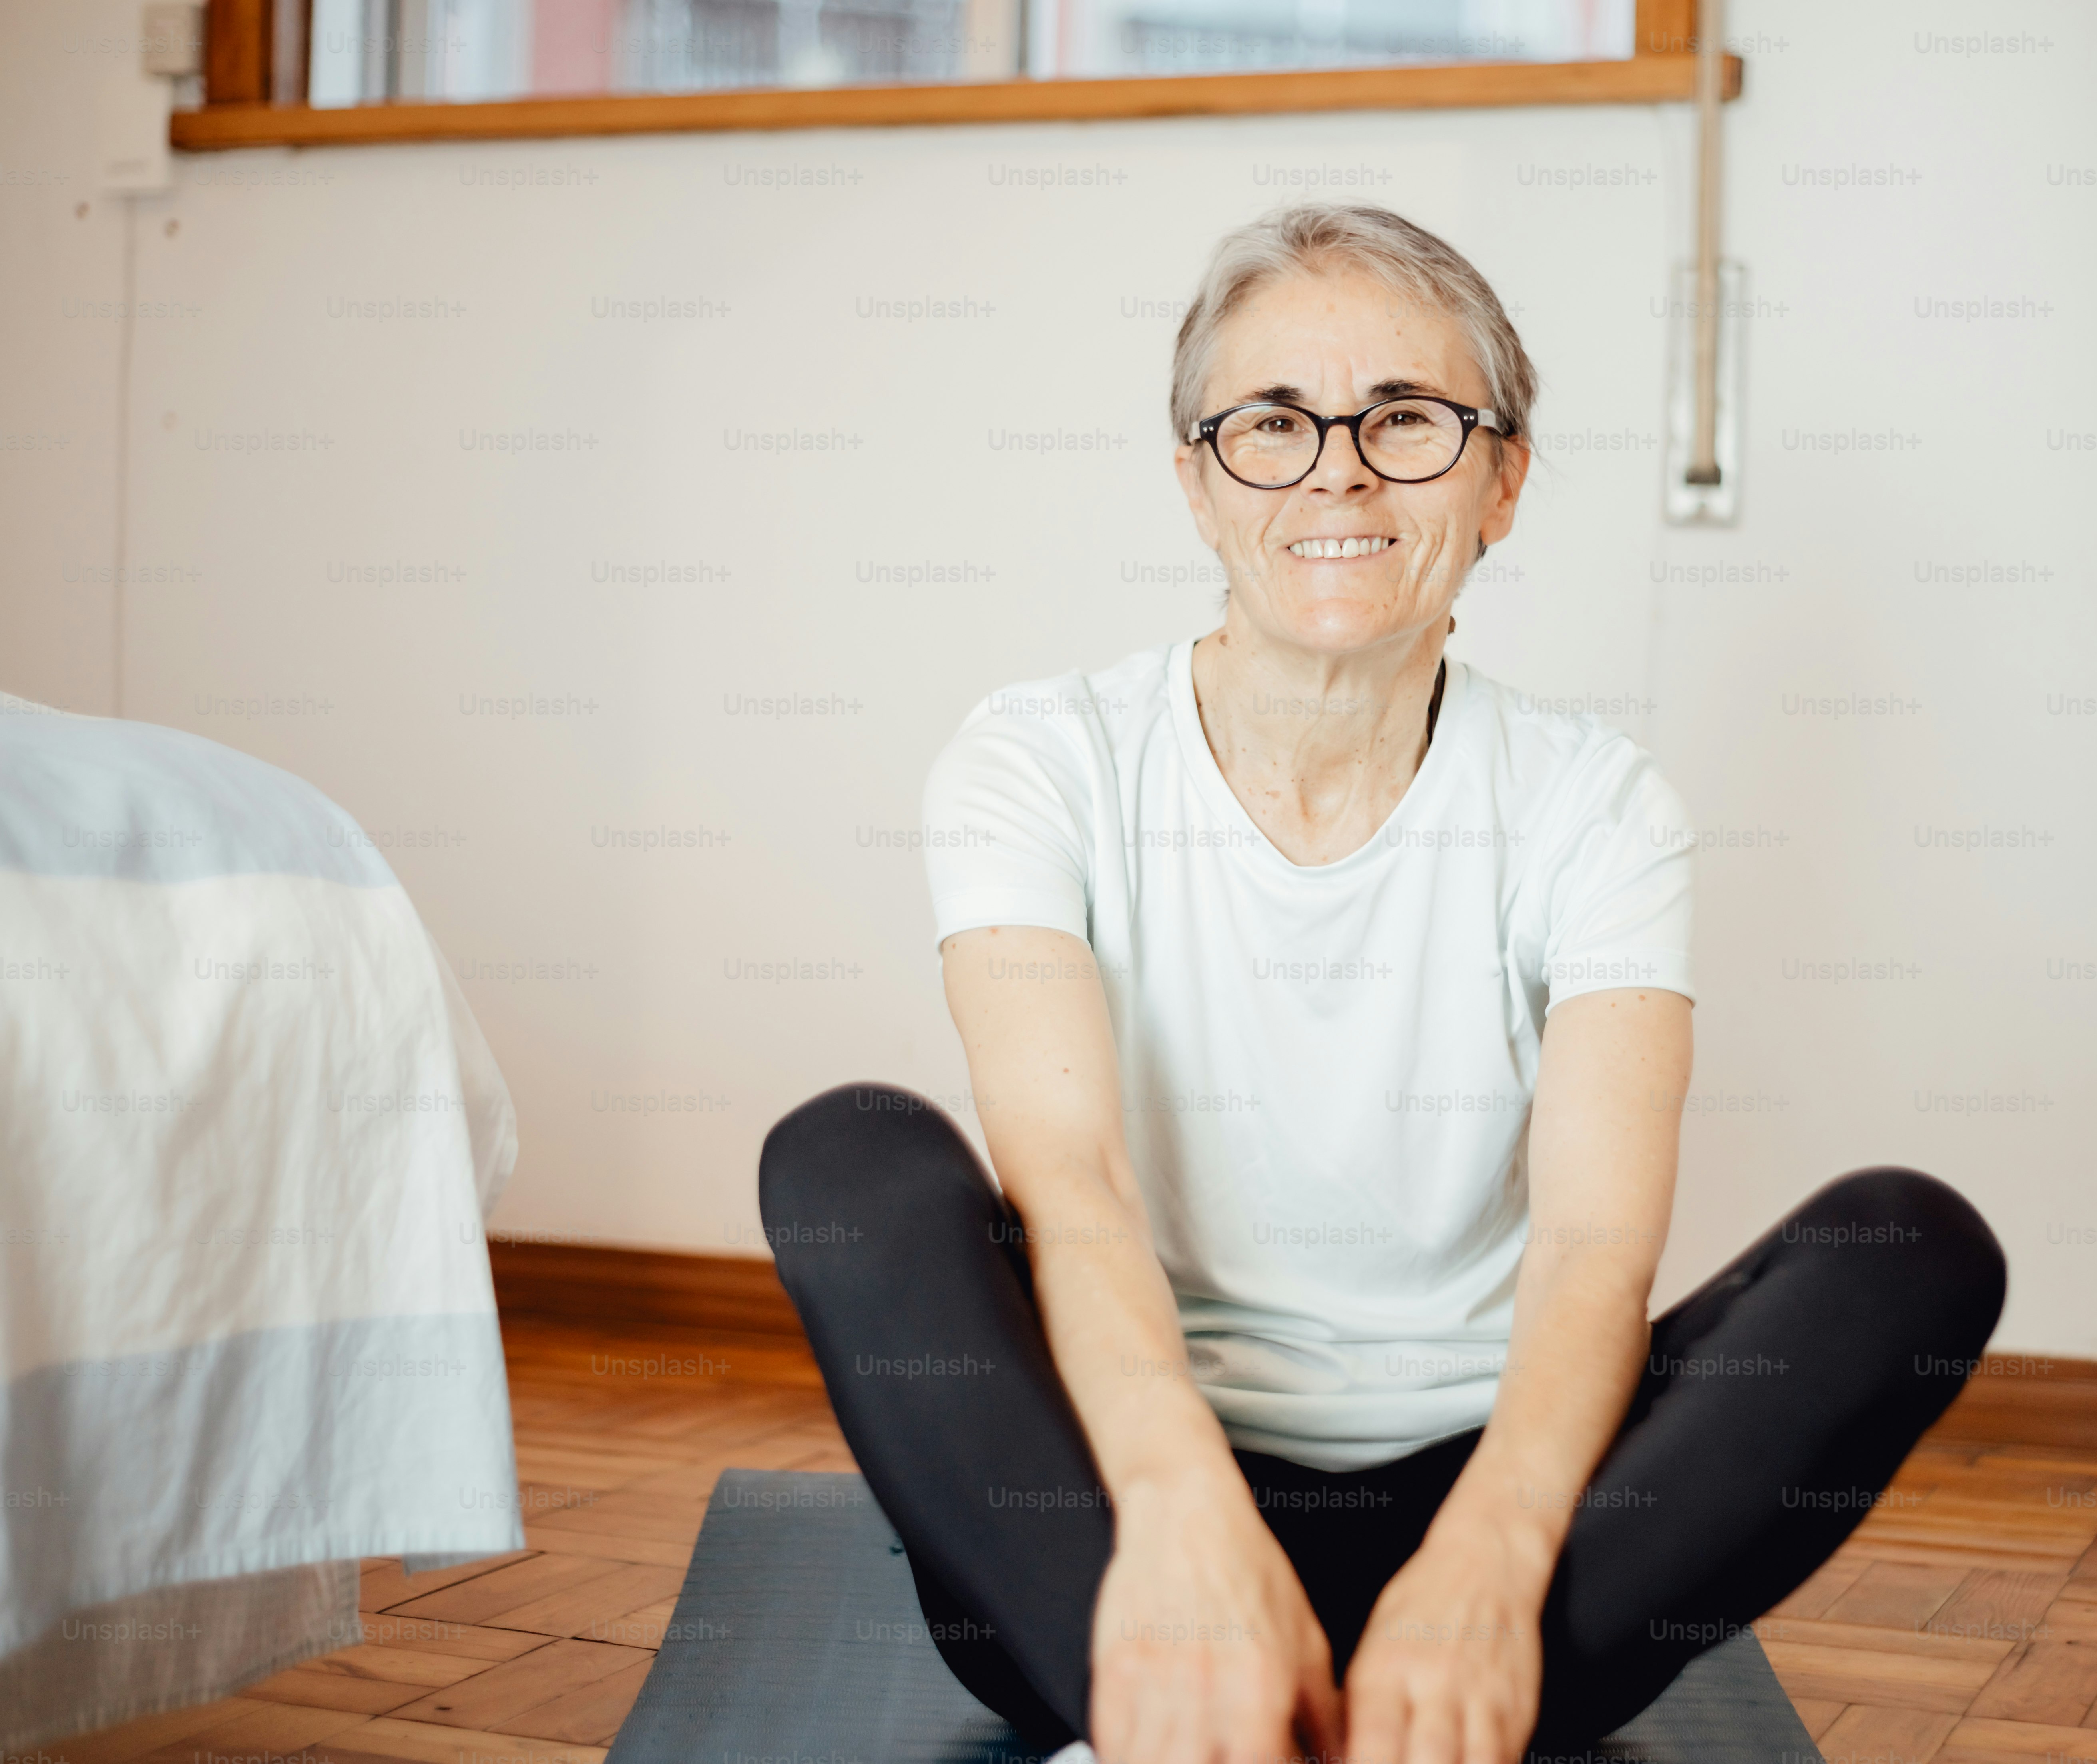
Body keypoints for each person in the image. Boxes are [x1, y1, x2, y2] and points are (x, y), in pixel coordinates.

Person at [759, 202, 2005, 1764]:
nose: (1337, 470)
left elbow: (1593, 1252)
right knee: (845, 1148)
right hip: (1116, 1526)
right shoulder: (1039, 761)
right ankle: (1167, 1698)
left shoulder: (1594, 807)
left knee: (1912, 1244)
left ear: (1500, 485)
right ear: (1198, 487)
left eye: (1404, 420)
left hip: (1504, 1536)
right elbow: (1069, 1189)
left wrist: (1482, 1568)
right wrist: (1182, 1525)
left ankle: (1368, 1705)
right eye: (1272, 423)